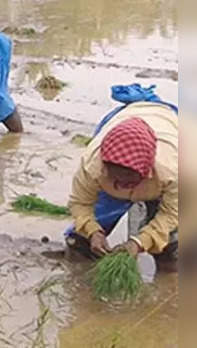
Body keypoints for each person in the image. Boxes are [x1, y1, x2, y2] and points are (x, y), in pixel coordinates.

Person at [65, 86, 178, 272]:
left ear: (145, 169)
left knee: (172, 249)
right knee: (80, 242)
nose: (122, 184)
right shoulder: (93, 165)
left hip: (165, 122)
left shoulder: (173, 170)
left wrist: (139, 242)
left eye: (129, 179)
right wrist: (93, 231)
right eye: (115, 177)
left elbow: (172, 214)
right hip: (121, 121)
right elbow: (80, 203)